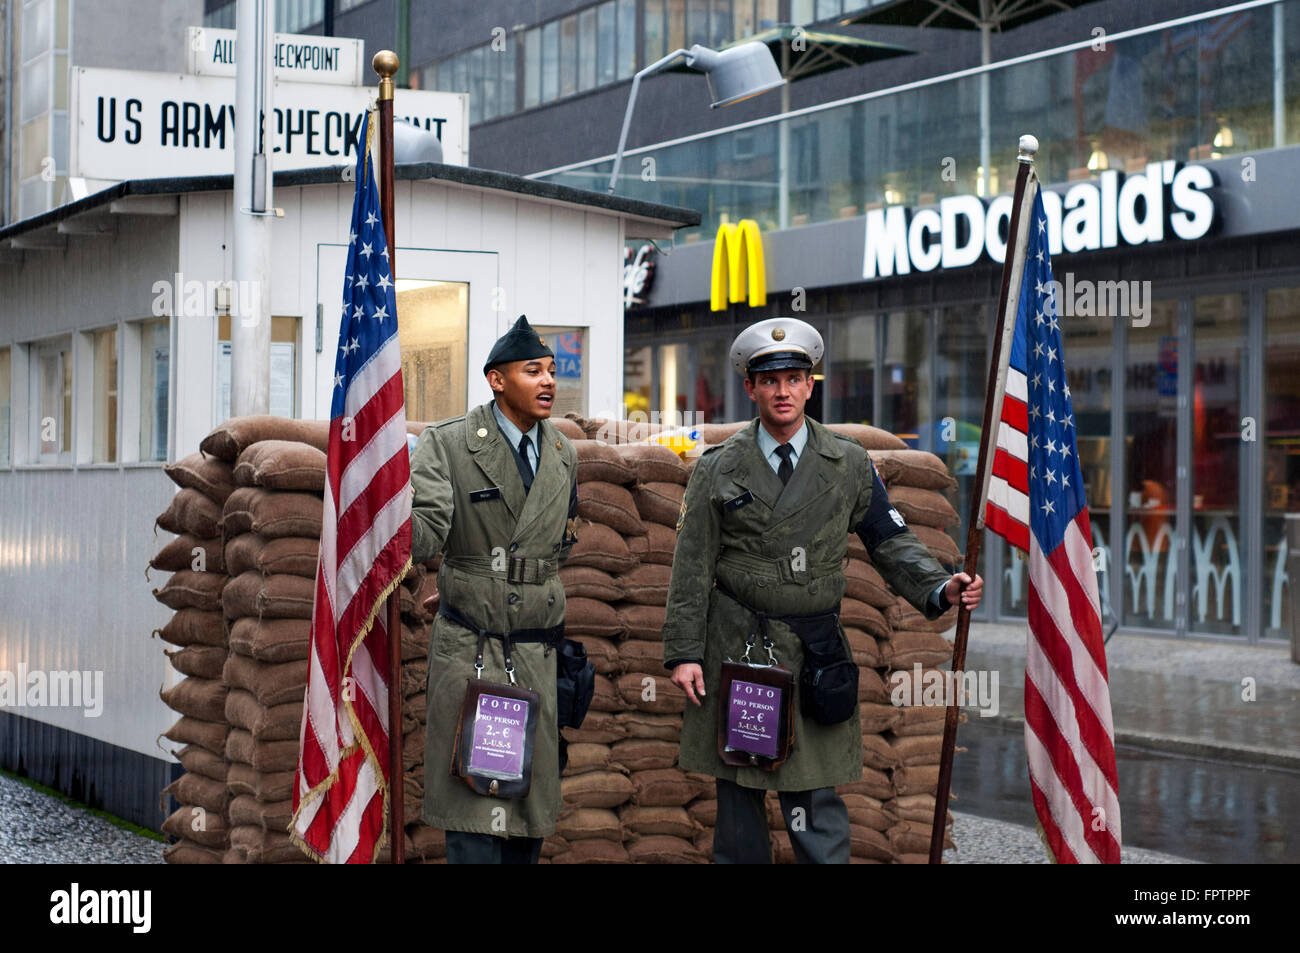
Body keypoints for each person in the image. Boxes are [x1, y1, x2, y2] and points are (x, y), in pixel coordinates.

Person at [663, 316, 984, 864]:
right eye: (770, 380)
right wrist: (685, 653)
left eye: (794, 378)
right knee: (739, 804)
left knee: (813, 800)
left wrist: (938, 586)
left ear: (811, 385)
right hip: (741, 650)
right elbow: (691, 566)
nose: (782, 391)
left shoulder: (849, 463)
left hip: (815, 652)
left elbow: (890, 539)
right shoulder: (718, 467)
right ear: (751, 388)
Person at [409, 315, 579, 864]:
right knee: (474, 816)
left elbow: (560, 544)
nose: (549, 381)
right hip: (474, 651)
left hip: (535, 650)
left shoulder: (561, 452)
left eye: (552, 371)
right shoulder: (450, 444)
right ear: (496, 380)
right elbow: (426, 532)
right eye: (533, 371)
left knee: (528, 820)